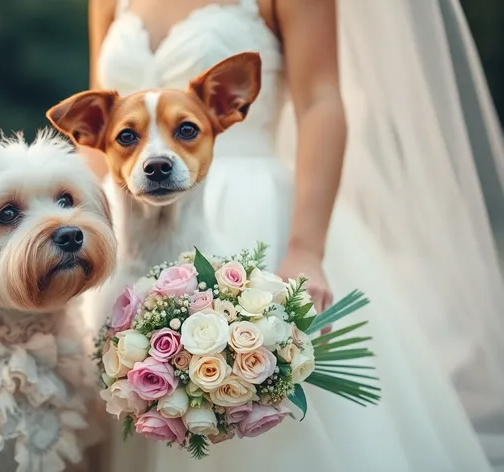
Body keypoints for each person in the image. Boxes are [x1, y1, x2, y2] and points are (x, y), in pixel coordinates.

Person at [86, 0, 504, 470]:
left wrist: (306, 246)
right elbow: (102, 120)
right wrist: (85, 224)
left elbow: (320, 98)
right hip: (125, 216)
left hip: (255, 208)